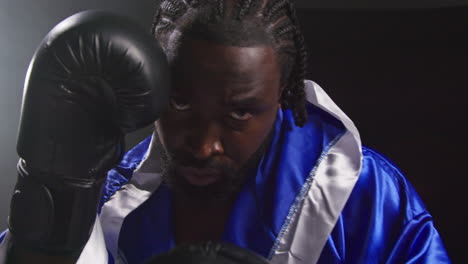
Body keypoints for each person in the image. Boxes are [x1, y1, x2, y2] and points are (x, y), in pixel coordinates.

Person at [0, 0, 451, 263]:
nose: (203, 144)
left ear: (283, 98)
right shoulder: (103, 189)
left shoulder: (366, 198)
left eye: (239, 114)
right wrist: (56, 188)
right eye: (180, 102)